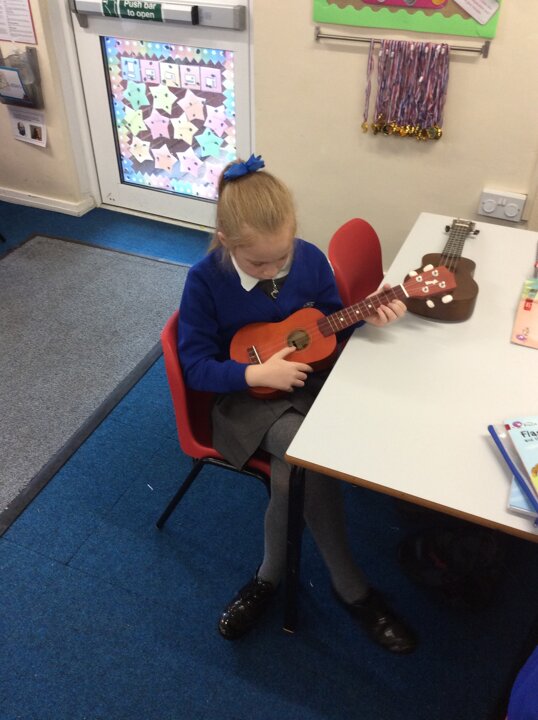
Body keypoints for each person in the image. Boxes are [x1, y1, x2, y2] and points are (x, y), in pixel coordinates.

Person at [178, 154, 417, 653]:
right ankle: (351, 587)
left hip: (308, 380)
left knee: (294, 473)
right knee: (306, 454)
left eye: (281, 258)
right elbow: (195, 367)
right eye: (258, 264)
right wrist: (254, 373)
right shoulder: (204, 280)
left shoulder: (306, 257)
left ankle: (267, 577)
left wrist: (365, 315)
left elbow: (325, 322)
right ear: (225, 241)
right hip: (242, 398)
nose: (273, 271)